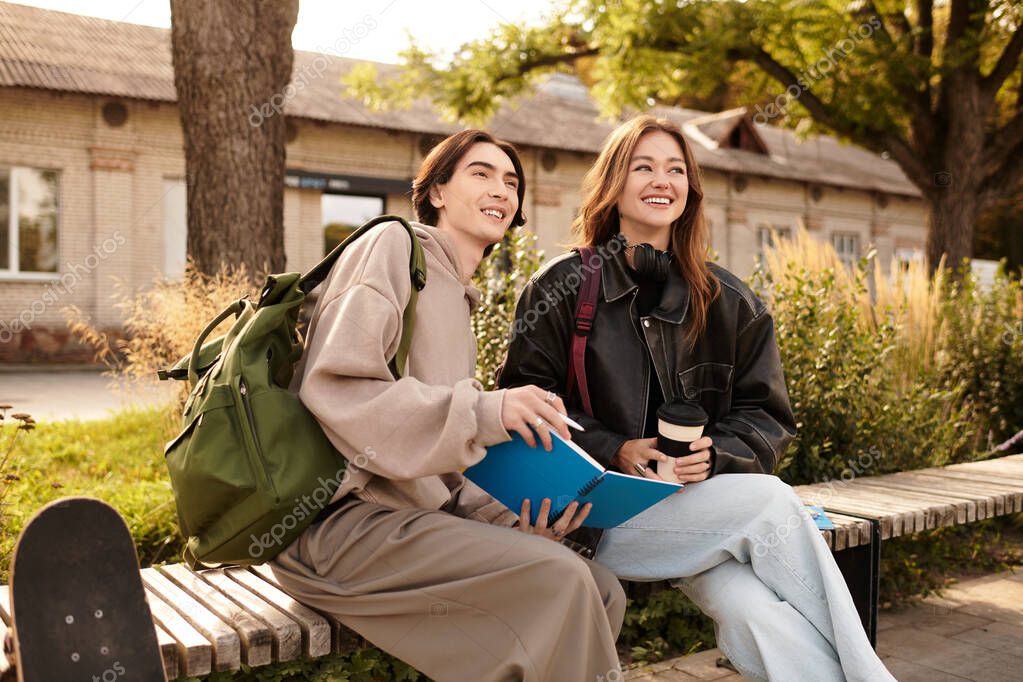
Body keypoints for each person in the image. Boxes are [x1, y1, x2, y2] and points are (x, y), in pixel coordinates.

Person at [498, 115, 896, 682]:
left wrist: (716, 454)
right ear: (614, 182)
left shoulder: (731, 300)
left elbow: (767, 416)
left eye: (676, 169)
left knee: (753, 612)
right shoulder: (561, 286)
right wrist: (616, 448)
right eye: (644, 166)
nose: (662, 180)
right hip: (594, 518)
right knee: (772, 504)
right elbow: (519, 399)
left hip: (698, 509)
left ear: (690, 190)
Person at [269, 129, 625, 682]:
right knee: (564, 581)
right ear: (436, 191)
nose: (501, 190)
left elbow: (442, 470)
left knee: (600, 589)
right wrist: (488, 411)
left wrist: (516, 525)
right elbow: (336, 388)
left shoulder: (458, 298)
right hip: (341, 530)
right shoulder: (390, 247)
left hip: (411, 524)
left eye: (511, 182)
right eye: (480, 174)